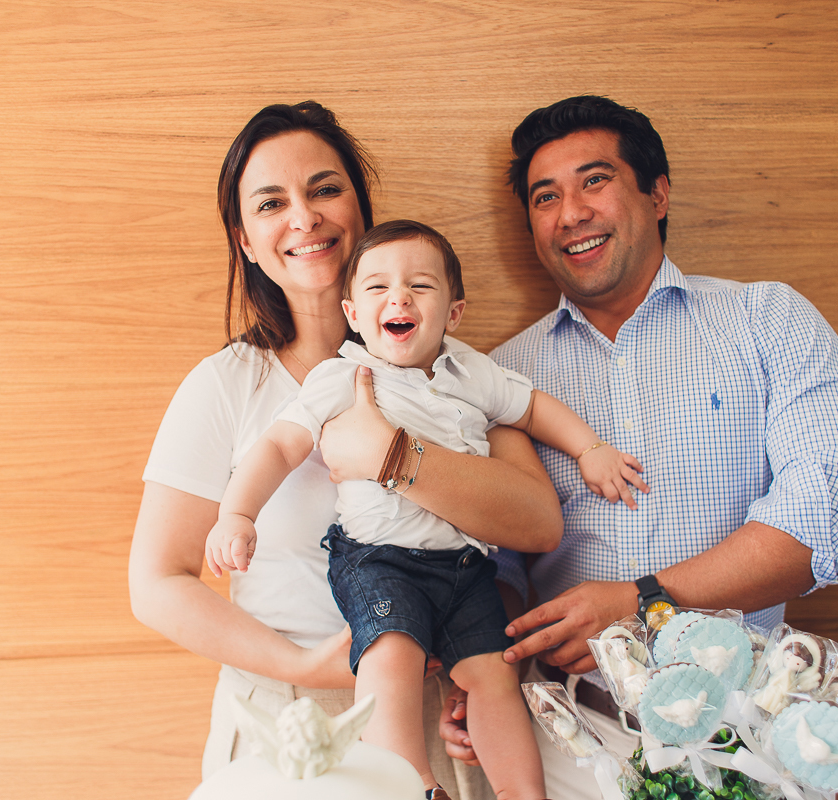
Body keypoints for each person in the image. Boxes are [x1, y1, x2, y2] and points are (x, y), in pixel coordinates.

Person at [440, 95, 838, 798]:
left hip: (754, 735)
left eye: (594, 181)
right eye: (545, 196)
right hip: (569, 743)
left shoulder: (767, 320)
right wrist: (480, 673)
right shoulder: (500, 381)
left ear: (658, 193)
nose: (570, 213)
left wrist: (644, 600)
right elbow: (491, 567)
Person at [128, 101, 564, 800]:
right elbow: (157, 584)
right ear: (245, 241)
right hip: (286, 724)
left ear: (361, 211)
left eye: (324, 189)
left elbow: (536, 525)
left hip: (443, 716)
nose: (304, 217)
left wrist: (392, 457)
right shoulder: (227, 383)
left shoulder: (451, 369)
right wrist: (301, 666)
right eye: (272, 203)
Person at [206, 219, 650, 799]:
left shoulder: (472, 372)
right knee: (390, 656)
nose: (399, 298)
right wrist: (238, 514)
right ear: (353, 313)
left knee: (494, 672)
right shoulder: (344, 375)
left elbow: (534, 409)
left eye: (419, 286)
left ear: (453, 312)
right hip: (379, 560)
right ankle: (411, 784)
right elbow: (280, 446)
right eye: (378, 288)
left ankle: (522, 793)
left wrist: (589, 449)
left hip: (465, 567)